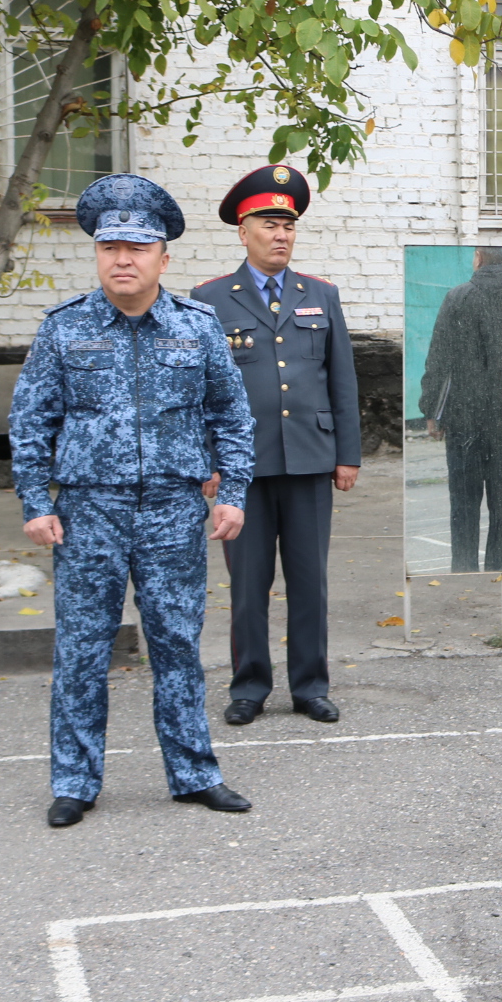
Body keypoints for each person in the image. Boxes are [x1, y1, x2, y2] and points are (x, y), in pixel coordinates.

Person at [9, 173, 256, 827]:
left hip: (175, 510)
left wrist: (231, 490)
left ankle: (194, 773)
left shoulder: (197, 328)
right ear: (97, 254)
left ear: (162, 259)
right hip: (88, 512)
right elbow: (31, 419)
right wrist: (36, 501)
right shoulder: (64, 329)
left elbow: (232, 414)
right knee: (83, 649)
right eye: (110, 246)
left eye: (137, 248)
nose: (122, 258)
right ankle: (74, 783)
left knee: (177, 644)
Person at [193, 166, 362, 727]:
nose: (281, 234)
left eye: (288, 224)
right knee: (247, 584)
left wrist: (348, 454)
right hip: (241, 468)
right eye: (269, 224)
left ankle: (310, 685)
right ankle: (249, 686)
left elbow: (342, 380)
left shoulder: (322, 295)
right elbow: (200, 392)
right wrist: (209, 463)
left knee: (310, 580)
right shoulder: (210, 298)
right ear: (243, 232)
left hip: (310, 459)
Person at [417, 249, 502, 574]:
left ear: (479, 257)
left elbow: (438, 356)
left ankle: (465, 573)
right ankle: (499, 570)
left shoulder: (459, 297)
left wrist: (431, 410)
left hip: (464, 416)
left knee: (465, 505)